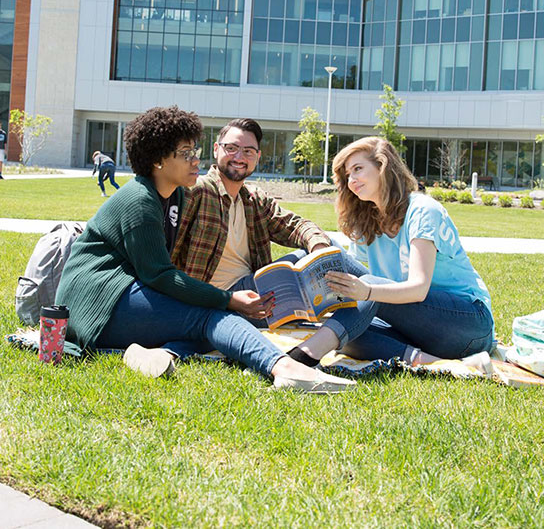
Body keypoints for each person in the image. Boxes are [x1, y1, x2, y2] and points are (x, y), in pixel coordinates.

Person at [56, 106, 354, 393]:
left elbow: (289, 223)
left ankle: (152, 353)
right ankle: (286, 369)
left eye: (194, 152)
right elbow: (159, 275)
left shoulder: (174, 197)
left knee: (208, 327)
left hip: (127, 292)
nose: (194, 161)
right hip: (98, 301)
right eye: (185, 154)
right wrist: (227, 299)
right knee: (211, 318)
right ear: (158, 160)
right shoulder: (140, 201)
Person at [286, 136, 494, 370]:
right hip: (416, 327)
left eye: (357, 169)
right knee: (349, 333)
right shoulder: (366, 221)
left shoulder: (423, 210)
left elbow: (418, 288)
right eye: (347, 176)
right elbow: (358, 294)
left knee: (369, 292)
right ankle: (442, 364)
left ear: (382, 167)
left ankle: (304, 356)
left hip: (467, 325)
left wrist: (368, 290)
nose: (352, 180)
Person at [172, 118, 332, 295]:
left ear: (257, 156)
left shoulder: (254, 200)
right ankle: (367, 293)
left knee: (327, 249)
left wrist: (319, 248)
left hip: (254, 297)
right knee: (332, 258)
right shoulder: (196, 191)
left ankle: (362, 299)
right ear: (216, 149)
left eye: (248, 151)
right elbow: (167, 257)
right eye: (231, 148)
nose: (239, 157)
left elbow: (295, 226)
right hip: (214, 298)